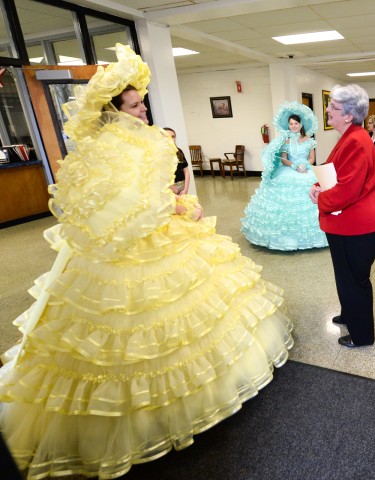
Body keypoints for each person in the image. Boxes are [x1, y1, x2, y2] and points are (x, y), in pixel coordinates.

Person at [0, 45, 294, 479]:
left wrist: (171, 202)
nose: (142, 111)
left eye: (142, 103)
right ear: (114, 109)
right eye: (135, 105)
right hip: (133, 245)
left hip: (138, 237)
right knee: (137, 328)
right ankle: (153, 418)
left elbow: (129, 198)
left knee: (185, 315)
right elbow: (129, 203)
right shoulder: (130, 144)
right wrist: (176, 208)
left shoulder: (109, 145)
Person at [309, 84, 375, 348]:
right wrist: (320, 187)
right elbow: (337, 174)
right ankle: (350, 314)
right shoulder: (351, 135)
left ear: (349, 116)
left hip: (357, 226)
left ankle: (362, 335)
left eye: (334, 107)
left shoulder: (355, 140)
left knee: (355, 281)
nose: (328, 110)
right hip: (350, 223)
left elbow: (347, 190)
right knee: (346, 277)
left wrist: (321, 199)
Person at [241, 101, 328, 250]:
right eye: (291, 124)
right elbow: (284, 158)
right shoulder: (285, 140)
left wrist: (305, 165)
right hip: (289, 170)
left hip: (306, 171)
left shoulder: (309, 140)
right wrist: (293, 165)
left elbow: (312, 158)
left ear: (301, 124)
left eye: (296, 123)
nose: (293, 126)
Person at [164, 127, 190, 195]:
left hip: (182, 186)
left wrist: (186, 188)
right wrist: (173, 189)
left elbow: (186, 171)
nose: (171, 139)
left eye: (173, 136)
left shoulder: (179, 152)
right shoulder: (159, 154)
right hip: (168, 189)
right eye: (167, 136)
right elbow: (160, 175)